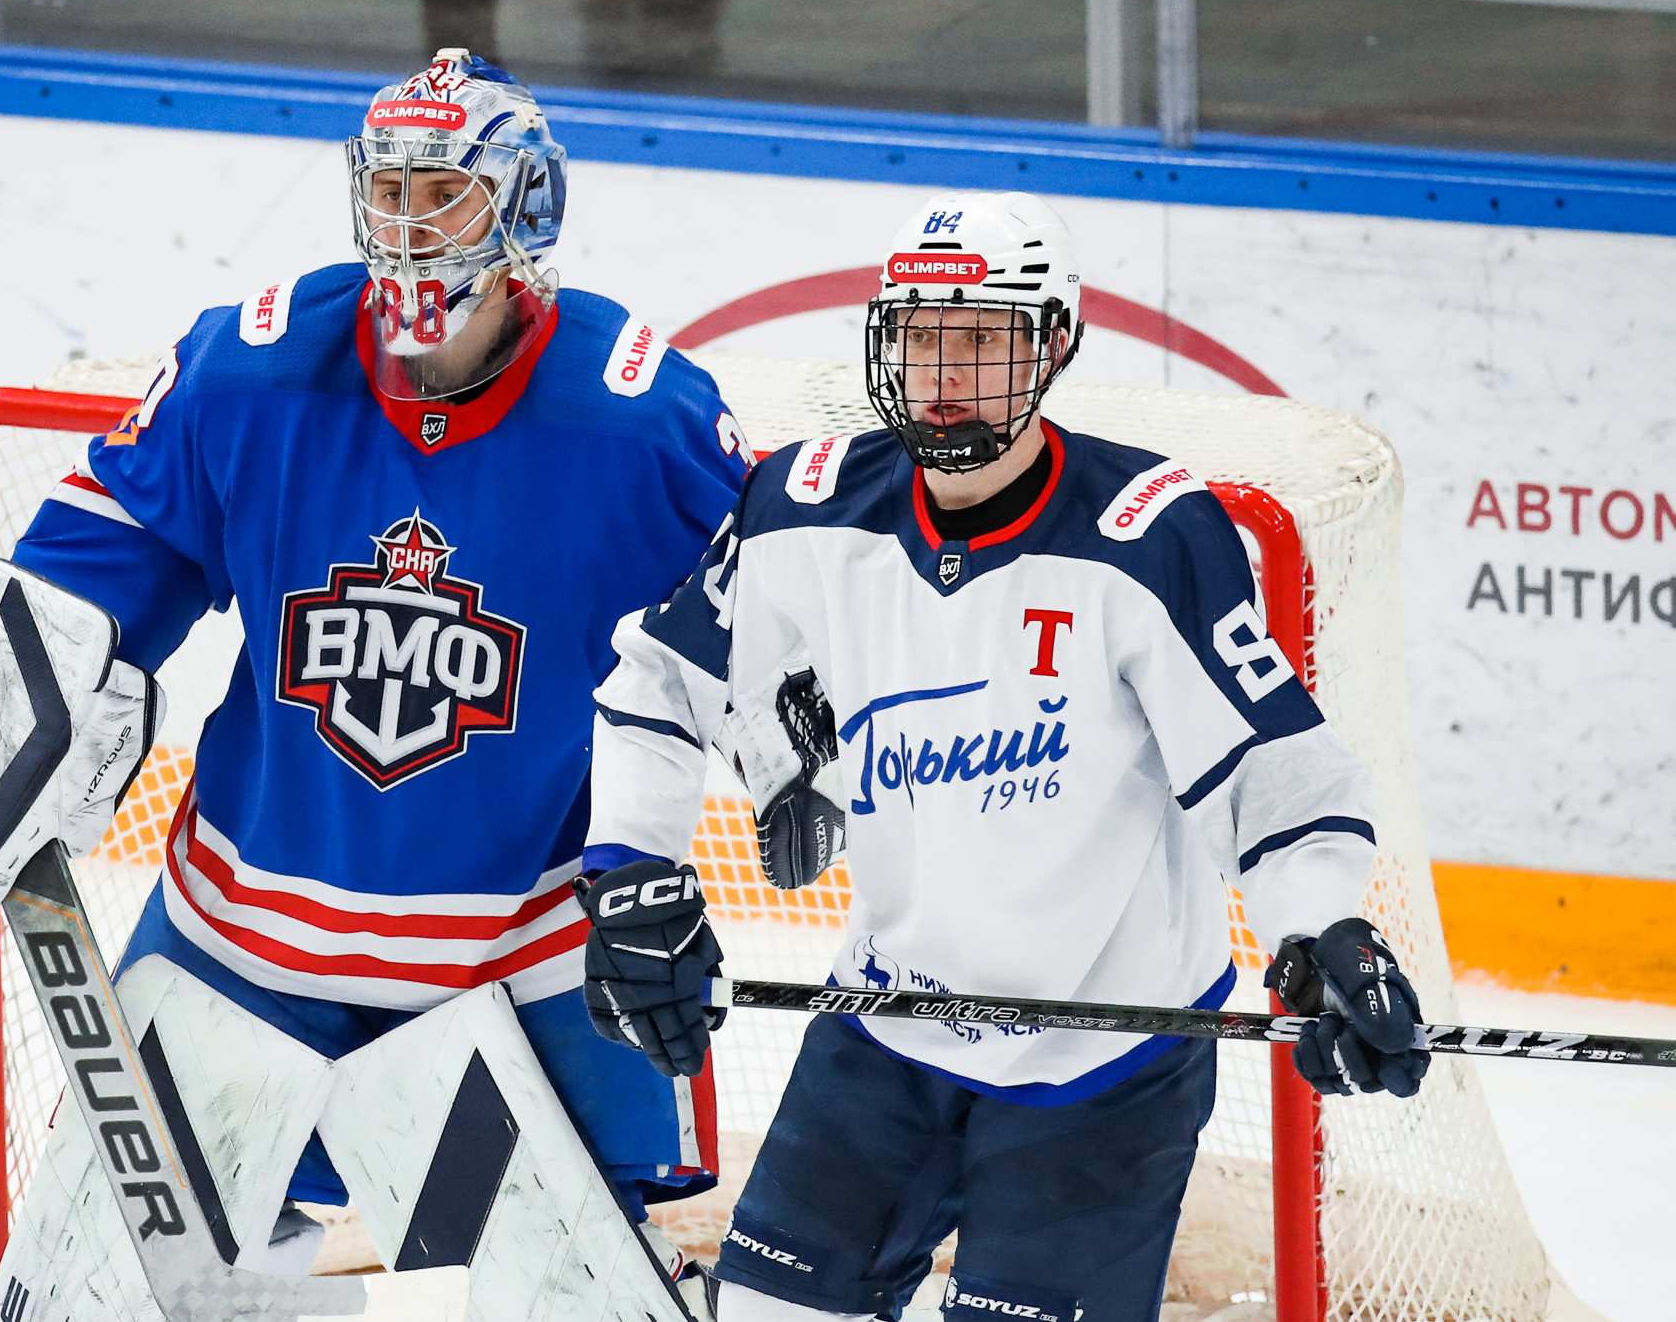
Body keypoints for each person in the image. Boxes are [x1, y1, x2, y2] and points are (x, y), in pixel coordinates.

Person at [574, 190, 1430, 1322]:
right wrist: (629, 871)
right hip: (883, 1031)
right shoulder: (800, 508)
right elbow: (657, 686)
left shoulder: (1147, 536)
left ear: (1055, 342)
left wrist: (1323, 927)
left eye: (980, 340)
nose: (944, 374)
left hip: (1106, 1066)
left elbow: (1275, 777)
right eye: (922, 337)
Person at [7, 48, 749, 1271]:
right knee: (122, 1274)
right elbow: (101, 554)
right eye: (388, 193)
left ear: (525, 207)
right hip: (239, 956)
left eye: (442, 194)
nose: (408, 229)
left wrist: (694, 850)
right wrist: (25, 700)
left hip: (511, 972)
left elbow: (759, 638)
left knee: (564, 1292)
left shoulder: (635, 421)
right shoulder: (247, 371)